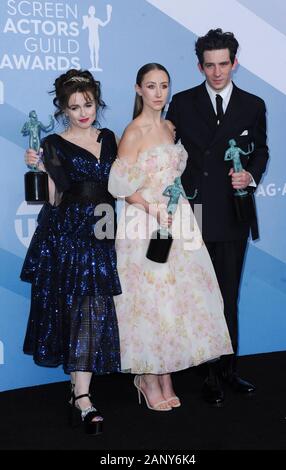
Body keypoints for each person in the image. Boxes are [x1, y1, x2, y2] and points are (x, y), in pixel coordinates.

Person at [108, 63, 233, 412]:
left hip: (179, 220)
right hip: (145, 223)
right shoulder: (133, 132)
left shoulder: (169, 127)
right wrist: (152, 209)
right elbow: (119, 187)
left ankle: (166, 375)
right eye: (151, 86)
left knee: (177, 298)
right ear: (138, 90)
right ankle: (148, 376)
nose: (159, 93)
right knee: (149, 299)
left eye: (164, 85)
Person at [166, 28, 269, 405]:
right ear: (199, 66)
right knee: (199, 295)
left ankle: (228, 369)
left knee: (227, 293)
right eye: (209, 65)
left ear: (234, 63)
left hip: (232, 212)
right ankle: (207, 372)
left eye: (223, 64)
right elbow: (165, 152)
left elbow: (261, 151)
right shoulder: (181, 103)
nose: (217, 72)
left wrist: (250, 175)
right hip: (194, 211)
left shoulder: (253, 105)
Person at [20, 69, 122, 434]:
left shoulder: (109, 138)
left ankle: (80, 391)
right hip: (68, 233)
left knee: (94, 308)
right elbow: (54, 197)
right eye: (74, 106)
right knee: (80, 309)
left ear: (97, 102)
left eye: (88, 104)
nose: (83, 112)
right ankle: (82, 397)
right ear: (63, 109)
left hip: (104, 227)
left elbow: (119, 184)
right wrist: (41, 167)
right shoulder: (54, 142)